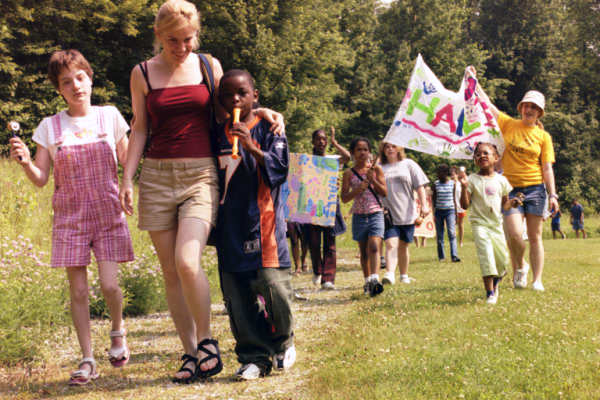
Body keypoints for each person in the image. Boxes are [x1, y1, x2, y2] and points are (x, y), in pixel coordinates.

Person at [119, 0, 284, 383]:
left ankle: (208, 341)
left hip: (200, 176)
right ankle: (190, 353)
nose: (182, 48)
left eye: (189, 39)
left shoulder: (209, 66)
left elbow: (232, 109)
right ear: (159, 36)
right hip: (157, 176)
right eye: (174, 40)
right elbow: (140, 128)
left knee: (187, 261)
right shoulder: (142, 73)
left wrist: (265, 113)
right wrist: (127, 178)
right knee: (170, 272)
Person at [9, 49, 133, 385]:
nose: (76, 85)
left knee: (109, 284)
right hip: (70, 218)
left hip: (108, 212)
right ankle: (87, 358)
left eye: (80, 77)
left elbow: (127, 162)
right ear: (59, 89)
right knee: (78, 291)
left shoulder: (109, 117)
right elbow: (41, 179)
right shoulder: (49, 127)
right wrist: (24, 162)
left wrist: (129, 186)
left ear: (90, 79)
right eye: (67, 82)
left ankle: (118, 329)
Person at [214, 69, 294, 380]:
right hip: (229, 226)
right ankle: (253, 356)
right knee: (237, 295)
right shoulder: (216, 131)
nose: (235, 99)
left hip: (264, 221)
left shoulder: (270, 128)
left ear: (255, 96)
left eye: (242, 93)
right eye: (228, 94)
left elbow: (280, 168)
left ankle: (283, 341)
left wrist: (250, 146)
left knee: (273, 286)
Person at [470, 66, 559, 292]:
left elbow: (547, 168)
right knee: (515, 234)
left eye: (534, 107)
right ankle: (520, 266)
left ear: (539, 112)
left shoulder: (543, 137)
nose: (529, 109)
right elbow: (487, 105)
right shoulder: (509, 124)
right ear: (521, 108)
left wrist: (553, 195)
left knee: (536, 236)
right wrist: (474, 80)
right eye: (526, 105)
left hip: (536, 189)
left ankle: (537, 280)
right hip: (510, 189)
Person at [459, 143, 518, 304]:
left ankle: (496, 282)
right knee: (486, 256)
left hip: (496, 225)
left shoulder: (502, 180)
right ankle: (490, 292)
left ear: (496, 158)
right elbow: (464, 205)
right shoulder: (471, 179)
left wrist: (512, 203)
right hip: (480, 225)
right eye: (478, 154)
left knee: (503, 260)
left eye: (486, 153)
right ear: (475, 160)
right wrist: (464, 188)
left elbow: (505, 205)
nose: (482, 156)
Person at [341, 137, 387, 296]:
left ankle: (375, 279)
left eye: (365, 149)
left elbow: (384, 192)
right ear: (353, 153)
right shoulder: (348, 173)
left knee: (374, 246)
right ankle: (367, 281)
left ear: (370, 152)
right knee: (364, 251)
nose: (362, 153)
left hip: (376, 213)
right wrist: (358, 189)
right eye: (359, 149)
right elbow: (344, 198)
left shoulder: (376, 170)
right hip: (359, 216)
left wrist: (373, 179)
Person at [379, 142, 429, 285]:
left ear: (399, 148)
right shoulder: (380, 168)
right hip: (388, 212)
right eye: (386, 147)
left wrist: (424, 205)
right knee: (390, 243)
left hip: (407, 211)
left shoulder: (408, 164)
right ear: (382, 150)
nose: (390, 149)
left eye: (393, 146)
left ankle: (404, 275)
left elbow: (420, 186)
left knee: (403, 245)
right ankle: (389, 274)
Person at [307, 127, 350, 290]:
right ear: (313, 142)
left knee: (330, 243)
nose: (321, 142)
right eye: (318, 139)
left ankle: (328, 278)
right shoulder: (307, 160)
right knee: (314, 242)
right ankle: (318, 271)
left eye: (324, 139)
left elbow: (347, 157)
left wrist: (335, 143)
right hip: (312, 206)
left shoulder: (333, 160)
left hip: (330, 205)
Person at [432, 164, 461, 262]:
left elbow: (454, 199)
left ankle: (454, 255)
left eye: (440, 173)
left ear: (445, 173)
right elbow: (434, 200)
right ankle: (441, 257)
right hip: (439, 211)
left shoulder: (452, 183)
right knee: (440, 235)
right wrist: (433, 213)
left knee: (451, 233)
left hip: (450, 211)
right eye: (438, 173)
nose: (438, 175)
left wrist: (456, 213)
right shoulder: (435, 184)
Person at [453, 166, 468, 247]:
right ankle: (454, 241)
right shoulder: (453, 182)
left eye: (462, 171)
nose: (461, 173)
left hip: (461, 207)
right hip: (453, 206)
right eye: (459, 171)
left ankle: (461, 241)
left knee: (460, 224)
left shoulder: (464, 181)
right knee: (453, 224)